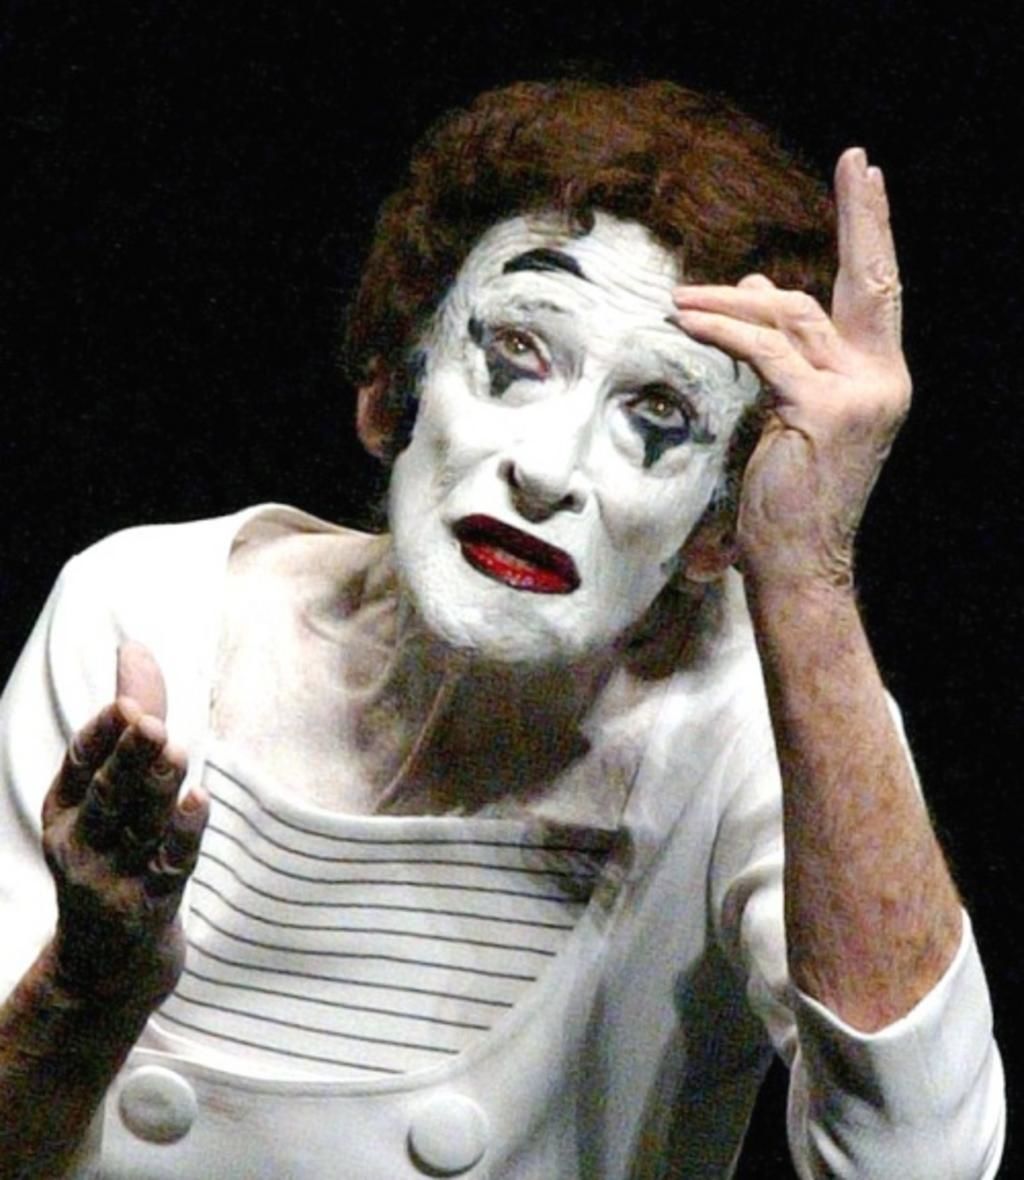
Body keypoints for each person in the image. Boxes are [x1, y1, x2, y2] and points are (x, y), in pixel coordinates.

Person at [0, 80, 1005, 1178]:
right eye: (517, 353)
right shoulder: (145, 611)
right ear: (393, 388)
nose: (546, 468)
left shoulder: (750, 727)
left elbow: (921, 1161)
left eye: (658, 413)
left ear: (714, 529)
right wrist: (89, 987)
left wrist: (805, 577)